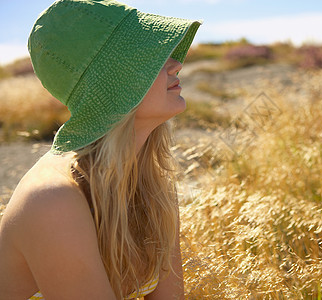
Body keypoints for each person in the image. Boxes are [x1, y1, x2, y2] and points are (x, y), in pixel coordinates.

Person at [0, 0, 201, 299]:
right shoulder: (55, 200)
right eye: (152, 56)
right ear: (113, 84)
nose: (175, 64)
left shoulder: (151, 181)